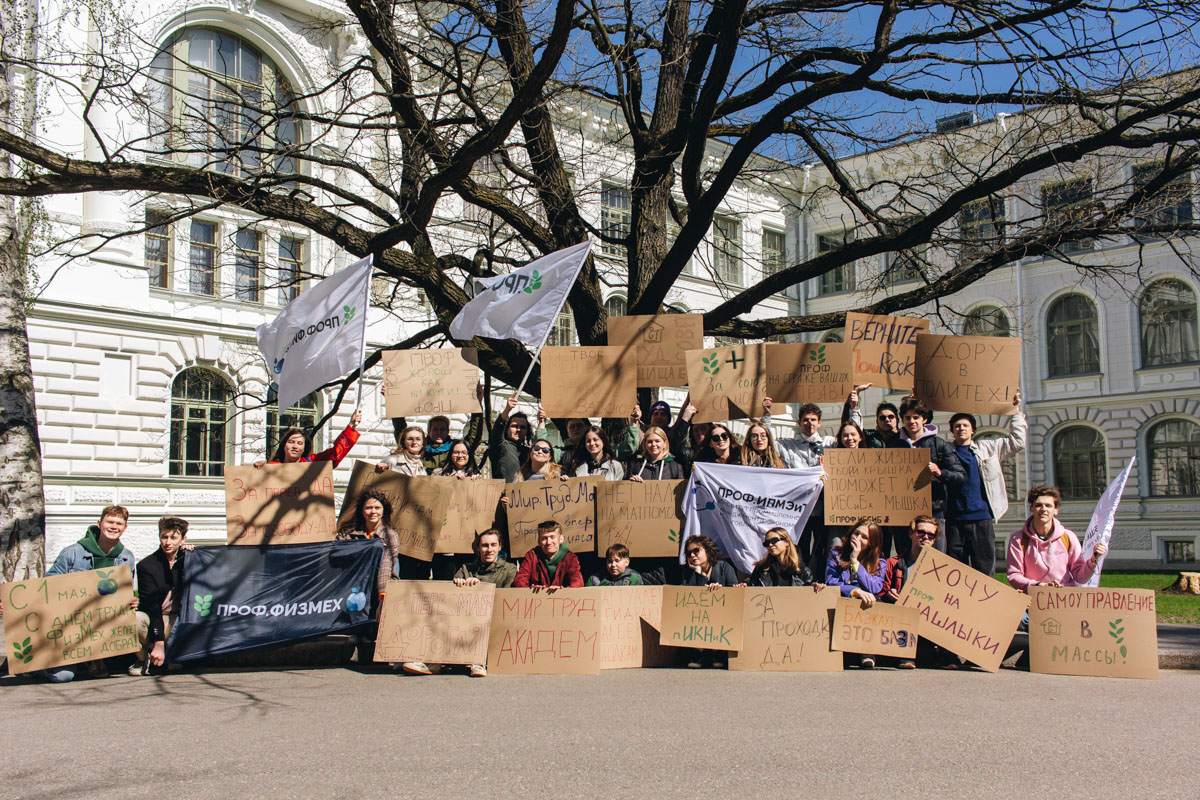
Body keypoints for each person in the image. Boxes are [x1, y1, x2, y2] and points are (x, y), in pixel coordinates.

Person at [39, 506, 139, 682]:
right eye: (110, 522)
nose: (114, 526)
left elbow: (125, 591)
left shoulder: (126, 557)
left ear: (124, 528)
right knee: (62, 677)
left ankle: (95, 658)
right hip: (70, 623)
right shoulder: (73, 552)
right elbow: (49, 585)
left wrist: (131, 601)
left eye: (119, 523)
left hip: (102, 622)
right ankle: (34, 667)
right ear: (100, 524)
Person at [944, 391, 1027, 575]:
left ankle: (986, 604)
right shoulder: (945, 451)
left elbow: (1018, 442)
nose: (961, 429)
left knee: (984, 570)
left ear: (972, 430)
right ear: (952, 431)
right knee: (955, 572)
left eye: (965, 425)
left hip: (982, 517)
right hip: (954, 520)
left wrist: (1015, 411)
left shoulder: (988, 448)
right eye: (957, 426)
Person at [890, 396, 965, 549]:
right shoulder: (894, 445)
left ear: (924, 419)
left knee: (934, 561)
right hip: (903, 512)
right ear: (902, 420)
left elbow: (961, 476)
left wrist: (940, 473)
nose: (912, 421)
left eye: (916, 417)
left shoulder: (939, 444)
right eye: (907, 418)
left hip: (933, 511)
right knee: (906, 559)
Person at [1007, 485, 1106, 594]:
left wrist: (1093, 560)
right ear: (1032, 508)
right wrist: (1039, 586)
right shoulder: (1018, 539)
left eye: (1048, 506)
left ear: (1056, 510)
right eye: (1039, 505)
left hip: (1063, 599)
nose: (1043, 509)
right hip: (1033, 598)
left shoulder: (1068, 537)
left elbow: (1080, 577)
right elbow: (1014, 575)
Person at [451, 529, 517, 677]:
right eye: (485, 545)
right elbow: (451, 602)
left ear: (500, 547)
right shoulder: (465, 569)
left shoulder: (509, 570)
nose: (489, 549)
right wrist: (459, 585)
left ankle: (479, 661)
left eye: (493, 545)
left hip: (494, 622)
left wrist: (479, 589)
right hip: (465, 620)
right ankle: (432, 661)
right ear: (478, 548)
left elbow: (507, 602)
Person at [879, 515, 943, 668]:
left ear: (934, 540)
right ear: (911, 534)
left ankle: (944, 656)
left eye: (930, 535)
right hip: (900, 620)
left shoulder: (944, 571)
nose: (925, 537)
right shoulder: (893, 563)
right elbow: (880, 592)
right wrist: (888, 595)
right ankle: (905, 655)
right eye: (920, 532)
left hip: (929, 624)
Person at [132, 516, 190, 676]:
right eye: (164, 536)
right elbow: (152, 604)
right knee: (134, 619)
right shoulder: (147, 565)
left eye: (173, 537)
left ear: (183, 539)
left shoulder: (188, 560)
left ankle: (173, 655)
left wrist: (194, 552)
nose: (168, 542)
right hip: (155, 618)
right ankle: (144, 656)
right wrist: (158, 641)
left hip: (177, 618)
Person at [826, 518, 885, 668]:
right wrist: (855, 591)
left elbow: (874, 587)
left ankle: (868, 652)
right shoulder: (836, 553)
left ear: (872, 543)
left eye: (864, 537)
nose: (858, 538)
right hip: (843, 598)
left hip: (863, 605)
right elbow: (831, 581)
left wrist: (855, 561)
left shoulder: (880, 562)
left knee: (874, 599)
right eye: (856, 533)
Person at [679, 534, 739, 668]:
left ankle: (719, 653)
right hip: (699, 616)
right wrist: (699, 575)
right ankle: (698, 654)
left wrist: (720, 590)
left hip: (722, 614)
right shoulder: (688, 572)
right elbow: (688, 599)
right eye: (689, 553)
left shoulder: (724, 567)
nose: (693, 556)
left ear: (707, 551)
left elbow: (735, 593)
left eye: (696, 551)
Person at [336, 489, 401, 601]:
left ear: (383, 510)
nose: (373, 512)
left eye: (377, 508)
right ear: (362, 511)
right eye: (368, 508)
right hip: (352, 585)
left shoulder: (390, 536)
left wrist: (383, 597)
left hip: (379, 586)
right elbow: (337, 555)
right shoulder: (347, 534)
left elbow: (385, 567)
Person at [257, 409, 362, 468]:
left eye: (299, 443)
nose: (295, 446)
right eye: (291, 442)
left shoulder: (312, 463)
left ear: (304, 448)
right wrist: (258, 469)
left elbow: (335, 455)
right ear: (284, 445)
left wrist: (351, 426)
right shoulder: (272, 467)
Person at [514, 521, 584, 588]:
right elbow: (520, 580)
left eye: (552, 537)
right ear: (538, 541)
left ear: (561, 539)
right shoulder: (532, 556)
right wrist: (531, 591)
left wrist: (561, 592)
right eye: (544, 538)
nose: (549, 542)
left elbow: (577, 582)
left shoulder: (570, 558)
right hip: (537, 599)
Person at [748, 528, 823, 588]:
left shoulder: (803, 571)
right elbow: (752, 590)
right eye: (767, 543)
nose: (770, 545)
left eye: (774, 540)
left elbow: (810, 593)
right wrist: (743, 588)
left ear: (787, 542)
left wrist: (816, 587)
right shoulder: (761, 569)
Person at [488, 394, 532, 482]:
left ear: (527, 432)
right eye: (514, 426)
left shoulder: (529, 453)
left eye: (522, 427)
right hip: (504, 494)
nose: (519, 430)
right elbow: (497, 433)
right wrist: (507, 409)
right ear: (507, 430)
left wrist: (542, 421)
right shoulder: (501, 447)